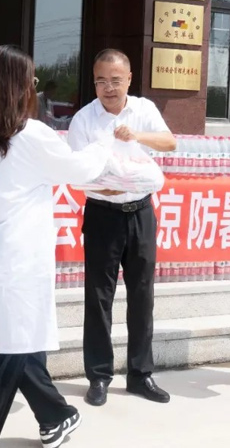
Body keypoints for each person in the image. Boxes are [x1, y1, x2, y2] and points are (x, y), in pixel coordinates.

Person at [0, 45, 110, 448]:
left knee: (18, 342)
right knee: (9, 351)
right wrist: (103, 142)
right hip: (18, 260)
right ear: (21, 86)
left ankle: (56, 416)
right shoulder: (30, 135)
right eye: (32, 81)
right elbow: (81, 170)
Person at [67, 49, 177, 407]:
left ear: (129, 79)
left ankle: (140, 374)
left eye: (115, 80)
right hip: (102, 214)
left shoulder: (144, 110)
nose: (108, 88)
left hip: (140, 213)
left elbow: (170, 142)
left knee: (142, 295)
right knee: (99, 297)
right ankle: (98, 376)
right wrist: (103, 188)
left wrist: (137, 136)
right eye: (101, 81)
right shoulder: (84, 119)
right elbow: (76, 171)